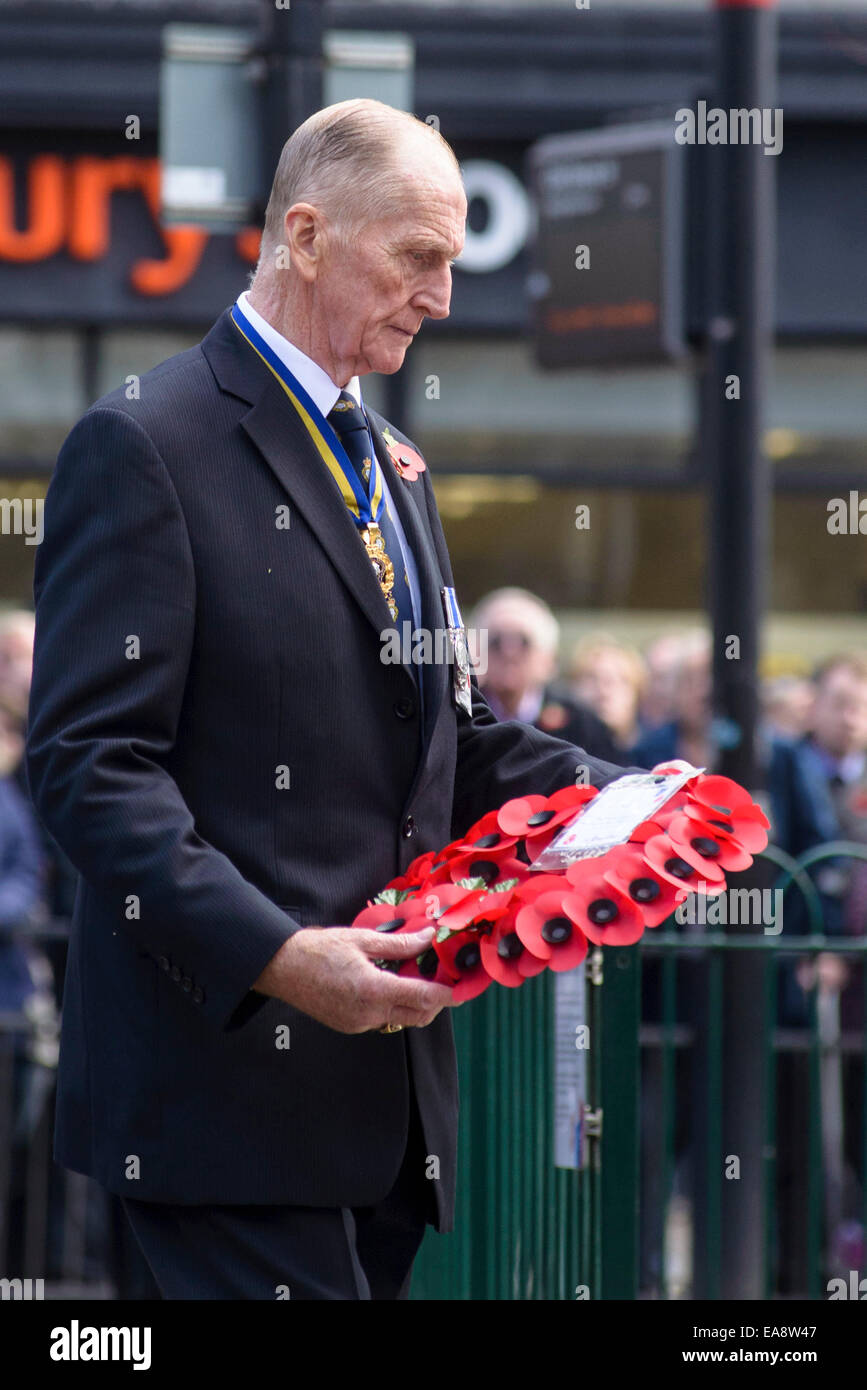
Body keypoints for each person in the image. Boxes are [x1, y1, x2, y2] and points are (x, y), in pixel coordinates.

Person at [25, 99, 631, 1301]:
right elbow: (91, 766)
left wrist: (631, 802)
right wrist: (283, 959)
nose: (444, 295)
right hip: (221, 1105)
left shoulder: (393, 462)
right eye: (418, 256)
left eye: (453, 261)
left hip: (378, 1112)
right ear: (304, 234)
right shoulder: (145, 443)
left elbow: (445, 739)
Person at [472, 588, 622, 766]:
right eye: (496, 641)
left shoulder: (579, 722)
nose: (509, 651)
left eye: (522, 641)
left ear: (547, 657)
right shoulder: (464, 717)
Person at [568, 633, 646, 757]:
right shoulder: (555, 755)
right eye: (592, 679)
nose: (603, 691)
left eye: (619, 680)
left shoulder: (655, 759)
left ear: (637, 693)